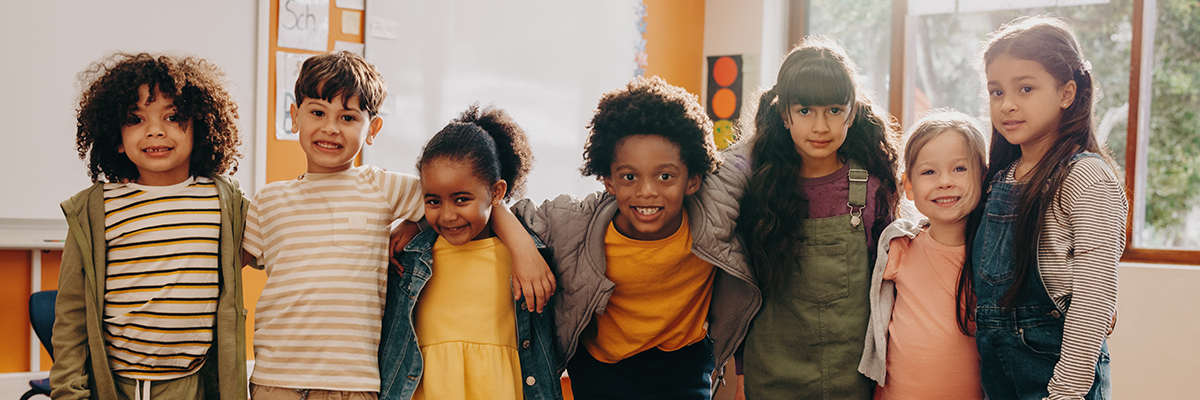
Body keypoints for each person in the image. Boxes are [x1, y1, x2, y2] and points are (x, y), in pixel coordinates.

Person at [242, 51, 553, 399]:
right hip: (274, 375)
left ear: (372, 129)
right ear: (294, 116)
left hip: (351, 382)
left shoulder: (383, 187)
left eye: (347, 117)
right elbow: (227, 263)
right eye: (317, 112)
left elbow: (467, 197)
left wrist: (522, 247)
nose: (330, 127)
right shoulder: (268, 200)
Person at [510, 76, 760, 398]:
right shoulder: (575, 224)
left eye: (665, 176)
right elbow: (496, 207)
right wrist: (524, 251)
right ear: (608, 182)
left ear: (694, 179)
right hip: (603, 367)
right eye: (629, 176)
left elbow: (759, 146)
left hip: (684, 363)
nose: (646, 191)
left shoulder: (715, 205)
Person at [52, 52, 248, 400]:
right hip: (113, 386)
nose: (156, 130)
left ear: (200, 127)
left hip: (191, 387)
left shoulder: (223, 202)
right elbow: (71, 315)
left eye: (173, 117)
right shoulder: (94, 210)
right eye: (135, 119)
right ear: (116, 135)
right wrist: (68, 390)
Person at [729, 35, 901, 399]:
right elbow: (742, 287)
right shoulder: (755, 188)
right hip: (771, 376)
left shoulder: (871, 188)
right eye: (805, 111)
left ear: (852, 113)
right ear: (783, 114)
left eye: (834, 111)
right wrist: (741, 373)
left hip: (851, 378)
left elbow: (890, 290)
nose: (820, 127)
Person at [969, 15, 1125, 400]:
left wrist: (1065, 394)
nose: (1007, 105)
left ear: (1067, 93)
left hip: (1060, 384)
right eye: (996, 92)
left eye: (1025, 88)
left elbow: (1094, 301)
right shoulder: (999, 178)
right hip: (998, 378)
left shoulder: (1085, 177)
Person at [377, 105, 561, 400]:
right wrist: (415, 222)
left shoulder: (523, 259)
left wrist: (523, 246)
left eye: (461, 199)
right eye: (434, 201)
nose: (447, 216)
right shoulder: (413, 257)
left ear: (497, 193)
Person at [858, 110, 988, 399]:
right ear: (909, 186)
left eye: (960, 169)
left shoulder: (992, 258)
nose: (945, 182)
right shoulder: (899, 246)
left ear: (984, 176)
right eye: (929, 172)